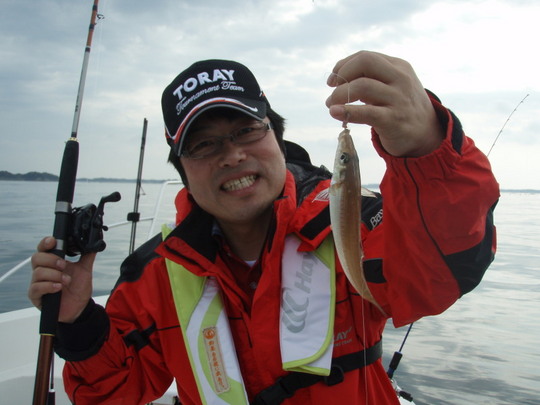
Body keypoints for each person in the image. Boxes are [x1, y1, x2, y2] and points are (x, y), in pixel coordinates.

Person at [29, 51, 500, 405]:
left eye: (247, 130)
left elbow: (438, 278)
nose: (232, 155)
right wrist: (78, 322)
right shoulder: (153, 273)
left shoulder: (353, 221)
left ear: (276, 135)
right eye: (203, 145)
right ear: (182, 170)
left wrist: (426, 146)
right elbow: (112, 393)